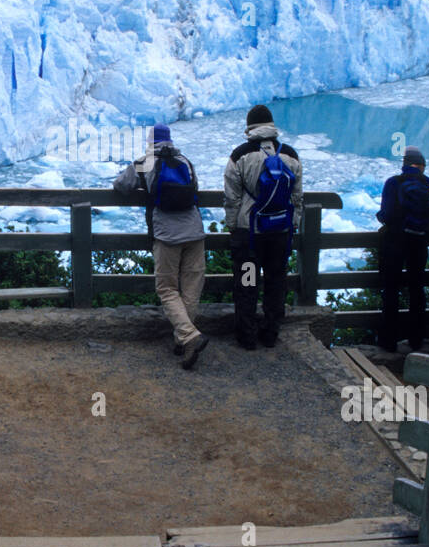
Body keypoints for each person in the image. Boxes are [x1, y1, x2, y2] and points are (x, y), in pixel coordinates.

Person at [113, 124, 209, 370]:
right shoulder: (185, 161)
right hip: (194, 232)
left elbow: (121, 186)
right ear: (170, 140)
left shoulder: (145, 162)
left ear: (150, 141)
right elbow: (195, 190)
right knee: (190, 288)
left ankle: (188, 336)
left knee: (166, 288)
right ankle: (183, 341)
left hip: (166, 235)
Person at [223, 105, 303, 350]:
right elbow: (297, 198)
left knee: (247, 282)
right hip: (279, 234)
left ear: (249, 127)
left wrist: (233, 227)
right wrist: (293, 225)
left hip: (250, 237)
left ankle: (247, 336)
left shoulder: (240, 155)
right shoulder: (290, 155)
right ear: (271, 126)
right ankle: (270, 332)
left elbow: (232, 198)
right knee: (275, 281)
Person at [376, 146, 429, 352]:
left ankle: (388, 341)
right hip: (418, 243)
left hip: (395, 242)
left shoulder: (394, 183)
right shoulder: (428, 184)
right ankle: (416, 340)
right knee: (417, 290)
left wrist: (386, 220)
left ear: (404, 165)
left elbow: (387, 213)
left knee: (391, 290)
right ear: (422, 166)